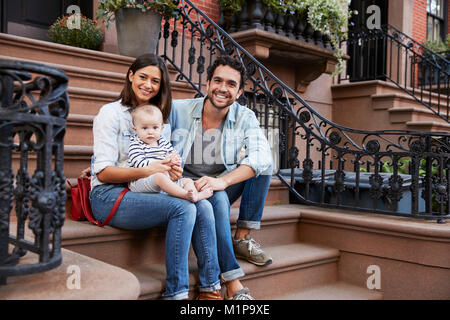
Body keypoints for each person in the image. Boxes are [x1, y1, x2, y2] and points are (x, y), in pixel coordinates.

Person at [88, 53, 222, 300]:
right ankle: (176, 294)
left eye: (155, 81)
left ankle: (210, 288)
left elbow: (162, 162)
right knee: (184, 208)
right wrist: (151, 170)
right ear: (130, 76)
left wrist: (173, 170)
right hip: (109, 195)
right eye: (142, 77)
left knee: (202, 205)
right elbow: (104, 173)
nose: (148, 85)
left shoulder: (160, 119)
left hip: (146, 189)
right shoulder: (110, 113)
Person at [169, 55, 273, 299]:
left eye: (231, 84)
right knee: (216, 201)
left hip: (218, 184)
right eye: (218, 81)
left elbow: (262, 156)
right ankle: (233, 282)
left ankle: (242, 237)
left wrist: (223, 181)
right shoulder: (178, 110)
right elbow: (146, 135)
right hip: (183, 185)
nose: (223, 88)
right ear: (207, 84)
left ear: (238, 93)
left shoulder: (245, 117)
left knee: (263, 164)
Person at [127, 104, 213, 202]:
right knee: (160, 177)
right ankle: (185, 195)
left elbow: (173, 154)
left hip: (165, 178)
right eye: (145, 128)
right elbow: (139, 163)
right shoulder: (135, 144)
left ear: (161, 129)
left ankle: (195, 196)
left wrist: (175, 161)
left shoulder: (163, 141)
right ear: (135, 130)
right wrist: (163, 164)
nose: (150, 132)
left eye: (155, 128)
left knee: (187, 181)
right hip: (141, 181)